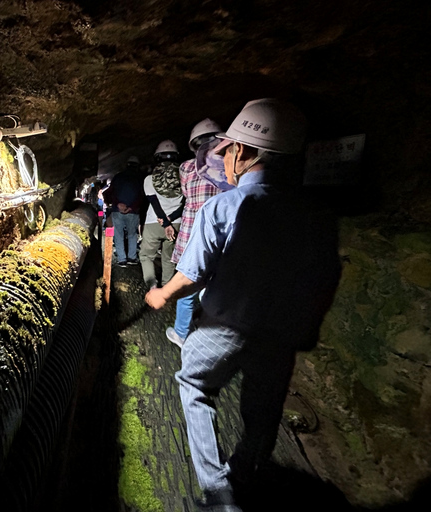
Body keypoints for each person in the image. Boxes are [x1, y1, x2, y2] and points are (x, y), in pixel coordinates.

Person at [145, 99, 342, 512]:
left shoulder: (225, 205)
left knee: (194, 385)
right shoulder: (317, 213)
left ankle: (219, 491)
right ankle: (246, 476)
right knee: (264, 408)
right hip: (281, 331)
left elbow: (194, 273)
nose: (226, 160)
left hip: (224, 325)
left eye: (229, 151)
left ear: (244, 152)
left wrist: (162, 293)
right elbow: (326, 274)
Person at [166, 119, 230, 347]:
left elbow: (187, 195)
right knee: (216, 286)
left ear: (194, 145)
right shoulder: (229, 166)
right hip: (223, 236)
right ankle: (212, 334)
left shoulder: (186, 168)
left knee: (187, 285)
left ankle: (181, 333)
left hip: (192, 234)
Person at [140, 140, 184, 290]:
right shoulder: (184, 178)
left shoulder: (149, 179)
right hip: (176, 223)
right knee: (168, 258)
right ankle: (167, 287)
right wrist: (170, 220)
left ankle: (152, 286)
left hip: (154, 222)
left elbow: (154, 203)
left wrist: (165, 222)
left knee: (146, 256)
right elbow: (185, 204)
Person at [105, 156, 145, 267]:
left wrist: (118, 204)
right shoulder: (140, 178)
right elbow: (142, 195)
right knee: (132, 235)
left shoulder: (118, 177)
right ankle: (132, 258)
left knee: (118, 234)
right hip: (133, 212)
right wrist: (132, 207)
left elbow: (109, 193)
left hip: (117, 211)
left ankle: (122, 259)